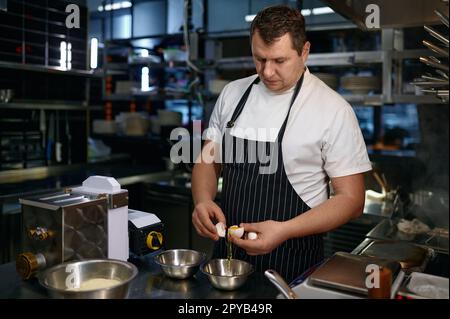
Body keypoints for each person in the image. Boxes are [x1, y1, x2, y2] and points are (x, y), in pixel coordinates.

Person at [191, 5, 372, 283]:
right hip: (227, 260)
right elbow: (209, 160)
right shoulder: (233, 94)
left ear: (305, 51)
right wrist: (203, 200)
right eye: (259, 59)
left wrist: (284, 230)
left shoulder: (333, 109)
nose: (268, 71)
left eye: (279, 60)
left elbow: (352, 199)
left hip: (293, 262)